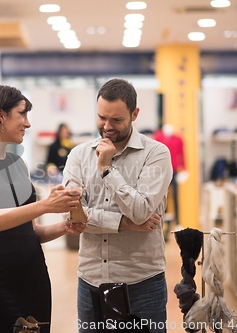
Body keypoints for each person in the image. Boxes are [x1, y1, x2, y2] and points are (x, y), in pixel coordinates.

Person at [0, 85, 88, 333]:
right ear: (1, 115)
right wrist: (45, 205)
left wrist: (64, 227)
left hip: (33, 277)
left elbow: (28, 233)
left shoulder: (18, 164)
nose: (28, 123)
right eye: (22, 114)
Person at [62, 79, 173, 333]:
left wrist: (106, 168)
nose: (107, 126)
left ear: (134, 114)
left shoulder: (156, 154)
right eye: (102, 118)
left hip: (142, 284)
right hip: (91, 281)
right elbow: (73, 215)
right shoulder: (79, 155)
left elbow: (142, 211)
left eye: (117, 120)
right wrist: (124, 223)